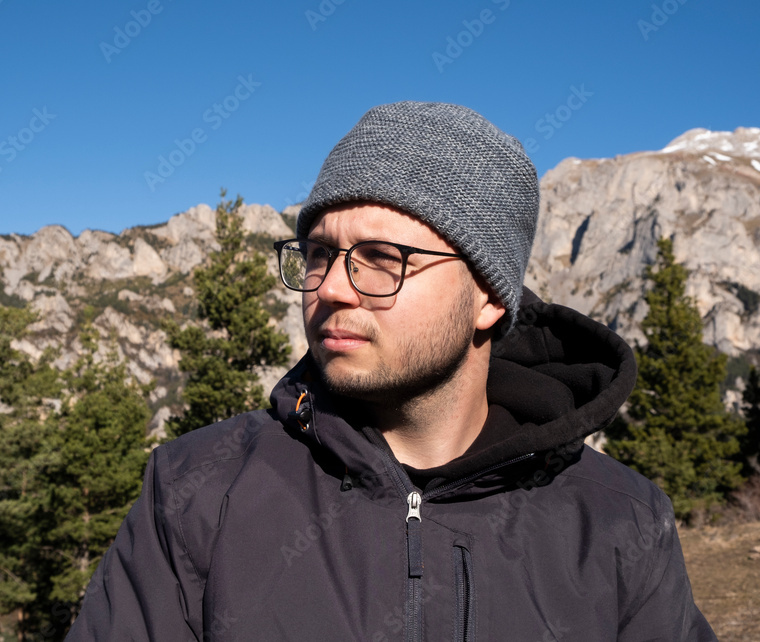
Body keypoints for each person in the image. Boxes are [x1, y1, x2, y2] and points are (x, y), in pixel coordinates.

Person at [65, 102, 715, 641]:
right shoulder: (195, 491)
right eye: (319, 254)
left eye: (383, 258)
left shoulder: (618, 521)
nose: (332, 290)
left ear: (488, 297)